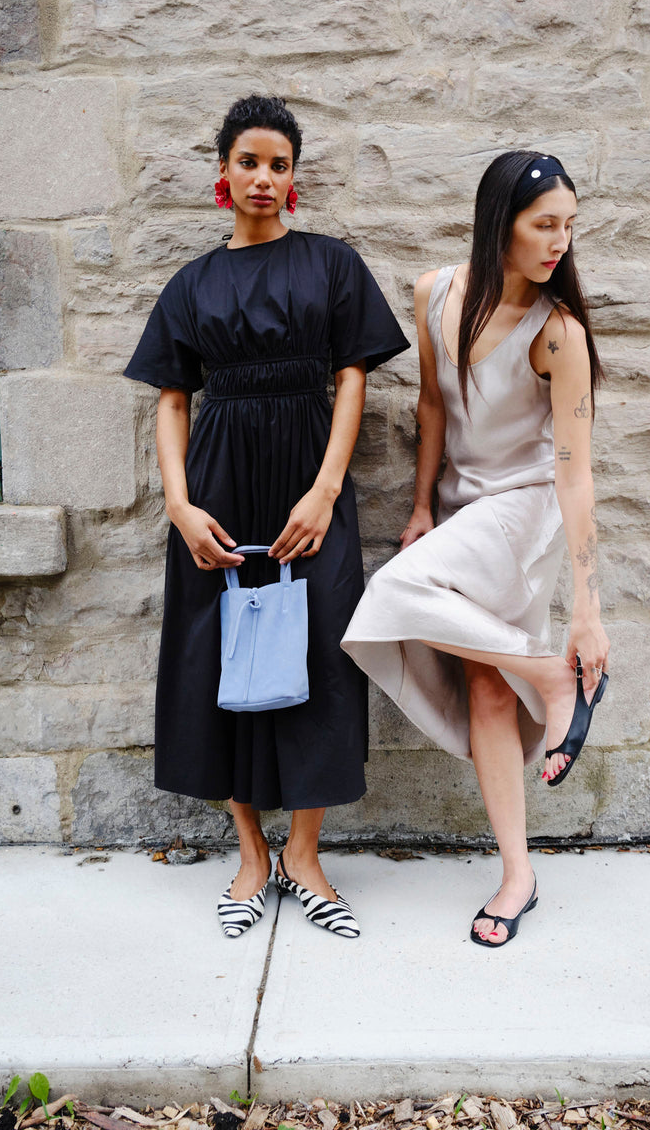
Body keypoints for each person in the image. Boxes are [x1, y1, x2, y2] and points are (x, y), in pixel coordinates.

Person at [124, 95, 408, 940]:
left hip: (308, 484)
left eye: (279, 165)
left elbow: (354, 376)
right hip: (217, 489)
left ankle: (307, 856)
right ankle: (252, 854)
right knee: (221, 660)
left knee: (320, 650)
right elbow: (173, 400)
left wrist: (326, 490)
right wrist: (179, 504)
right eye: (249, 161)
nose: (263, 177)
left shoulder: (331, 265)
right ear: (223, 172)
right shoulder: (194, 283)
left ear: (294, 179)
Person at [342, 151, 610, 947]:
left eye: (569, 225)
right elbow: (432, 404)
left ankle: (554, 677)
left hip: (524, 512)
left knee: (390, 595)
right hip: (461, 508)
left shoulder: (559, 336)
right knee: (488, 688)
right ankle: (519, 874)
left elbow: (576, 476)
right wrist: (423, 503)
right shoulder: (435, 293)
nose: (560, 241)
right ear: (501, 224)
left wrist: (587, 615)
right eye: (544, 225)